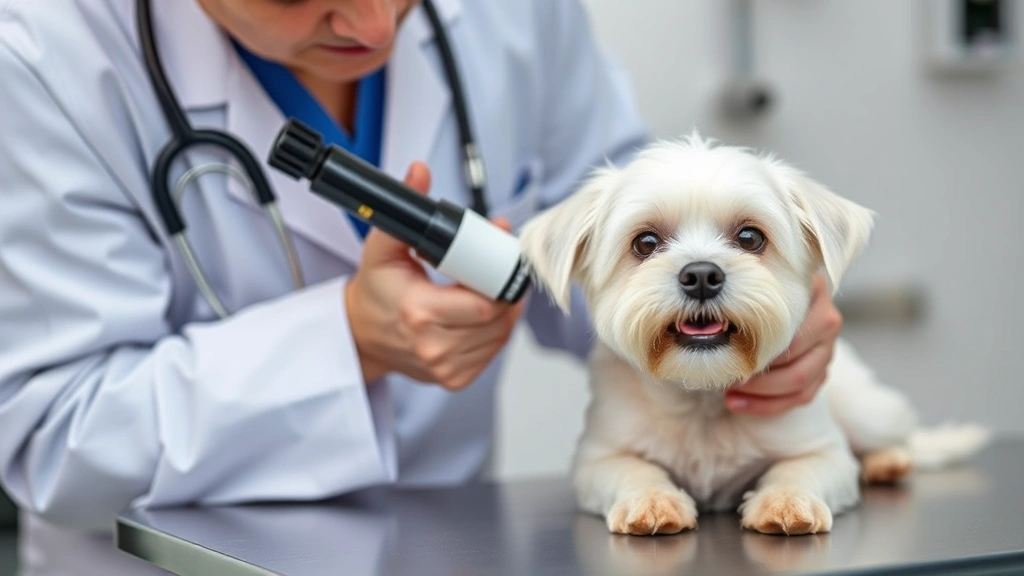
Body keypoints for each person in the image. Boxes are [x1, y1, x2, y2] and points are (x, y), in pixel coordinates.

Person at [0, 0, 843, 573]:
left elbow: (615, 239)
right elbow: (51, 436)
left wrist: (728, 315)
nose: (371, 22)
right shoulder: (42, 57)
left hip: (446, 552)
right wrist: (346, 342)